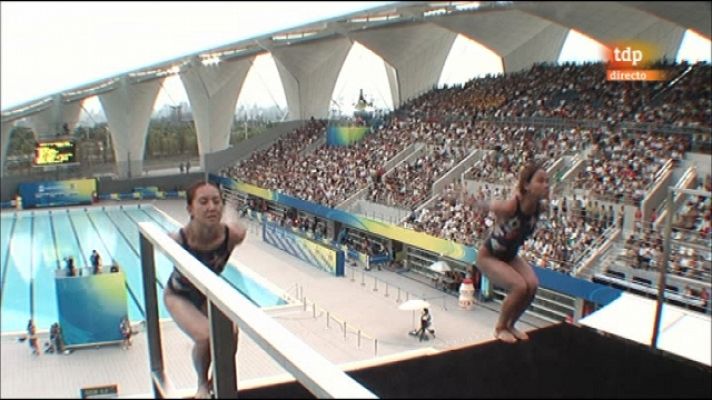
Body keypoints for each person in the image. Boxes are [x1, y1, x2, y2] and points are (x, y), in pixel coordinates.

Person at [163, 180, 247, 399]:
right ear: (190, 209)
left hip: (207, 294)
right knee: (205, 336)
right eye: (203, 202)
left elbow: (234, 222)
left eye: (216, 201)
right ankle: (201, 385)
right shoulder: (177, 240)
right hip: (179, 295)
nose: (211, 207)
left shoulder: (233, 236)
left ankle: (216, 381)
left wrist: (232, 209)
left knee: (232, 332)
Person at [472, 163, 548, 344]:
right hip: (489, 255)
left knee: (532, 285)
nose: (546, 185)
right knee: (519, 287)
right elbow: (487, 205)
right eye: (540, 181)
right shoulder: (511, 206)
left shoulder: (540, 208)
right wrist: (467, 200)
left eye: (547, 181)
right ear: (527, 185)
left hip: (509, 255)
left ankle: (511, 324)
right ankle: (500, 328)